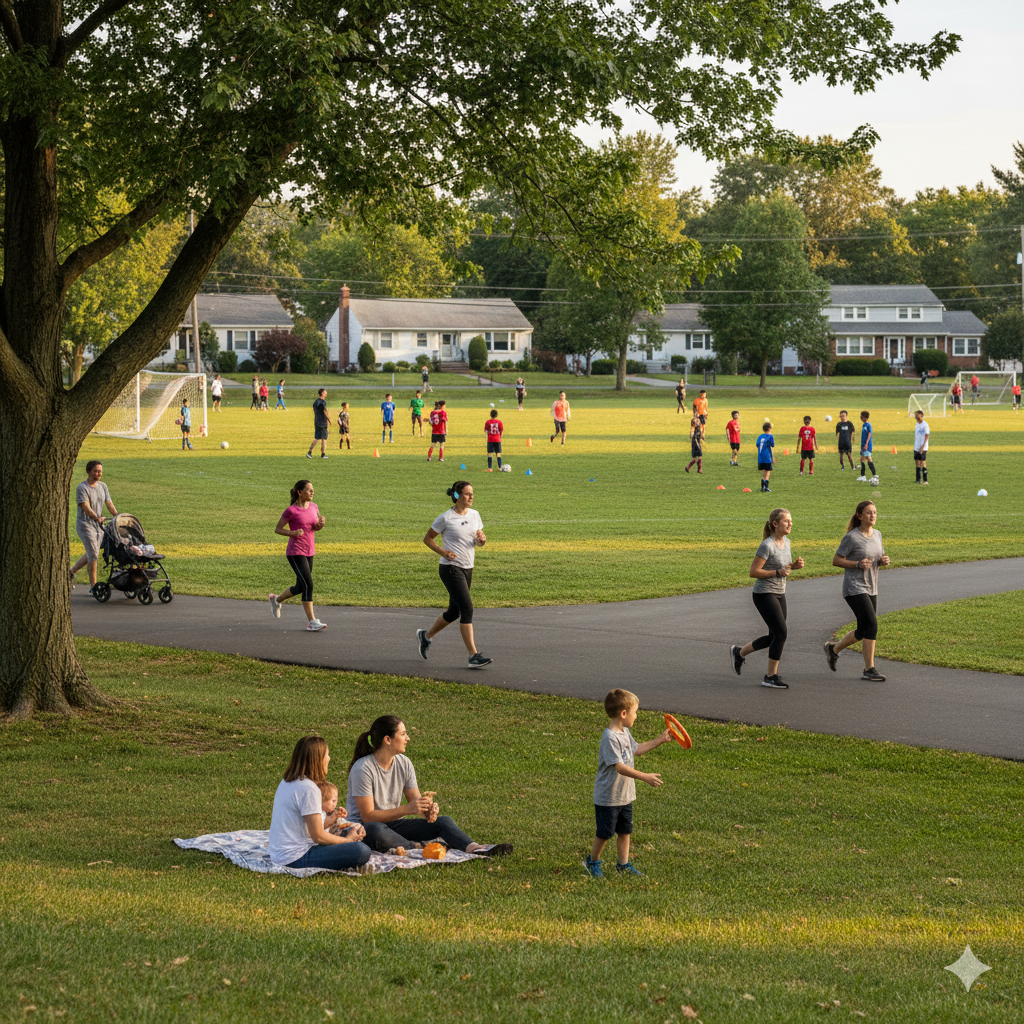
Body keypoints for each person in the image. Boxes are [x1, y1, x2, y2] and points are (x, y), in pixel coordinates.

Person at [346, 715, 512, 856]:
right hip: (362, 830)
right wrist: (408, 809)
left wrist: (428, 810)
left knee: (443, 821)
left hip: (394, 825)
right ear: (388, 740)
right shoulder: (363, 768)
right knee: (376, 830)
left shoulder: (404, 763)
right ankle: (419, 847)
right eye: (403, 734)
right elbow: (368, 816)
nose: (408, 738)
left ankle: (474, 848)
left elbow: (416, 802)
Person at [582, 688, 671, 879]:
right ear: (623, 713)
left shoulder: (625, 732)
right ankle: (592, 861)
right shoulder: (610, 737)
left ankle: (623, 865)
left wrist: (660, 740)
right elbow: (619, 767)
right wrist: (644, 776)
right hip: (608, 797)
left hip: (625, 795)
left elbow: (636, 749)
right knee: (605, 833)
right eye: (635, 712)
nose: (636, 716)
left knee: (625, 831)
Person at [415, 480, 492, 668]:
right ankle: (473, 656)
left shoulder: (475, 515)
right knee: (467, 609)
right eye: (467, 494)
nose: (471, 496)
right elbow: (428, 539)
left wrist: (482, 540)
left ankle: (425, 636)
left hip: (468, 567)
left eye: (472, 493)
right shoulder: (445, 518)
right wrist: (444, 552)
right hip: (450, 569)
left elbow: (477, 540)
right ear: (457, 496)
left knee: (454, 611)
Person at [268, 735, 372, 872]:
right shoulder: (308, 789)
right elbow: (317, 836)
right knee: (361, 851)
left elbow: (310, 825)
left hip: (280, 854)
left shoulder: (287, 781)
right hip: (295, 857)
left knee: (349, 834)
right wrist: (348, 841)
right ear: (317, 759)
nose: (329, 759)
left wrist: (333, 821)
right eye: (327, 755)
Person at [730, 507, 804, 690]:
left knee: (775, 635)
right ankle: (770, 676)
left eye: (791, 520)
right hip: (764, 594)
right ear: (775, 523)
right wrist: (777, 572)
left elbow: (783, 567)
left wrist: (793, 566)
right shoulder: (767, 545)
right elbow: (753, 572)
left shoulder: (786, 542)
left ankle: (740, 652)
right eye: (786, 521)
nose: (790, 523)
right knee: (781, 633)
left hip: (780, 592)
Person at [823, 500, 891, 682]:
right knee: (872, 625)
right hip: (854, 588)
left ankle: (834, 649)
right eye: (869, 513)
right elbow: (836, 560)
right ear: (859, 516)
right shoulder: (852, 537)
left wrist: (882, 561)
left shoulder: (877, 534)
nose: (873, 515)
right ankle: (869, 669)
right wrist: (857, 564)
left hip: (872, 586)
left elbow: (876, 558)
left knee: (863, 630)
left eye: (875, 512)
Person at [269, 479, 327, 630]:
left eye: (313, 490)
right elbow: (278, 529)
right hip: (295, 552)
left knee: (301, 586)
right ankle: (312, 622)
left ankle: (276, 599)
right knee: (308, 584)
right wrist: (292, 533)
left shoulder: (314, 507)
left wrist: (320, 525)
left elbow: (313, 527)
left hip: (310, 551)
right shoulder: (291, 511)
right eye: (309, 490)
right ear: (299, 492)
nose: (312, 492)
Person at [70, 460, 118, 594]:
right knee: (93, 554)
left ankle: (71, 571)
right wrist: (97, 517)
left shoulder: (103, 486)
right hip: (85, 525)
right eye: (96, 471)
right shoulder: (82, 488)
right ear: (89, 471)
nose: (98, 474)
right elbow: (85, 507)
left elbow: (109, 503)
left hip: (99, 525)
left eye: (100, 471)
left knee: (93, 552)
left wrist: (118, 516)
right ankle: (94, 586)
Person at [306, 388, 330, 459]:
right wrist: (329, 419)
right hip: (323, 422)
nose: (326, 393)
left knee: (317, 438)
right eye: (325, 392)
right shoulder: (323, 402)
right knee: (324, 438)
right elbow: (325, 411)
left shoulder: (315, 402)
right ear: (322, 393)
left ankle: (309, 452)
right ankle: (323, 454)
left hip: (316, 421)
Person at [857, 410, 877, 483]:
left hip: (867, 446)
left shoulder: (868, 425)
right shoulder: (864, 425)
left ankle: (864, 476)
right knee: (866, 459)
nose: (860, 417)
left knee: (865, 459)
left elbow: (869, 434)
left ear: (864, 417)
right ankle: (873, 475)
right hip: (864, 445)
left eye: (861, 416)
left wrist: (866, 444)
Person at [756, 421, 774, 493]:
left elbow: (757, 445)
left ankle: (762, 487)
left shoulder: (760, 436)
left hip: (760, 457)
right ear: (769, 429)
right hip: (767, 457)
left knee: (764, 472)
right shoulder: (770, 436)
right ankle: (766, 487)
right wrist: (773, 458)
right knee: (768, 472)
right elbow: (772, 445)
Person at [913, 409, 930, 485]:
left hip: (923, 447)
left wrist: (922, 447)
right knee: (917, 462)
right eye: (915, 416)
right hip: (916, 446)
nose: (916, 417)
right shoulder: (917, 424)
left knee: (923, 462)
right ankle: (918, 479)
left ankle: (925, 480)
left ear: (922, 416)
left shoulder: (925, 425)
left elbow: (927, 436)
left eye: (917, 416)